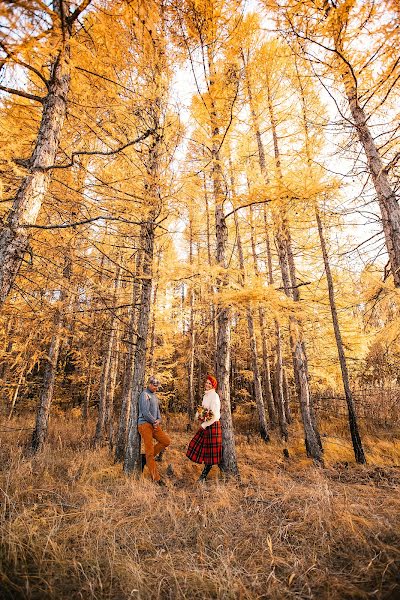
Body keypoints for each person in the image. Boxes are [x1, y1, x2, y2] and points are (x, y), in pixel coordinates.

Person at [186, 374, 222, 481]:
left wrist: (204, 424)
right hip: (206, 425)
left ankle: (203, 477)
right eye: (206, 382)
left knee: (210, 453)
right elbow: (203, 409)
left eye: (209, 383)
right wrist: (198, 415)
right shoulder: (205, 395)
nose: (207, 384)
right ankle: (203, 476)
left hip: (213, 425)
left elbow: (214, 415)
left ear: (213, 385)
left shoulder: (214, 396)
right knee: (198, 447)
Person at [138, 375, 171, 486]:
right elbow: (145, 412)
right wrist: (154, 421)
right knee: (150, 452)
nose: (156, 388)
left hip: (154, 424)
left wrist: (159, 420)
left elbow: (157, 412)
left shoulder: (155, 396)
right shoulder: (144, 395)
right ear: (149, 384)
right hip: (144, 424)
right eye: (154, 385)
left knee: (166, 441)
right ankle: (156, 478)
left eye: (157, 386)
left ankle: (144, 458)